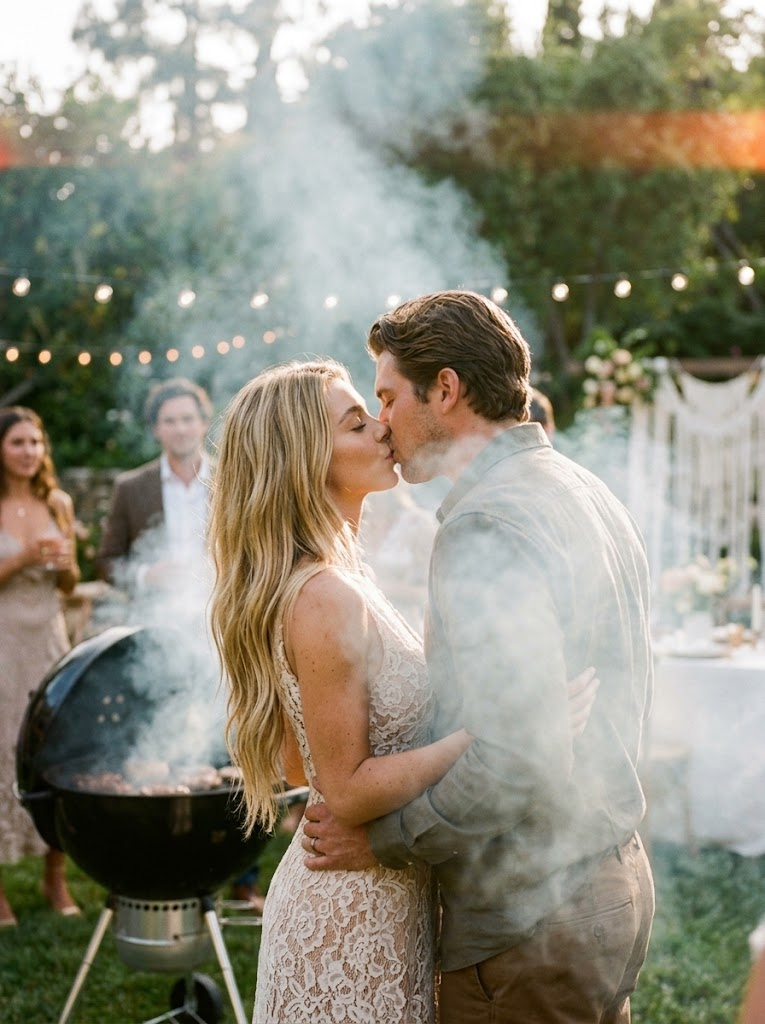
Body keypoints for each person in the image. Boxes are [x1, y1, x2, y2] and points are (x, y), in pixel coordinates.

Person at [207, 358, 598, 1022]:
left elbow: (303, 762)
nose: (384, 427)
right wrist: (484, 733)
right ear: (305, 458)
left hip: (385, 895)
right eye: (358, 422)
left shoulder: (340, 576)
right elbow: (346, 787)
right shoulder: (324, 595)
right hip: (347, 923)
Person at [303, 289, 655, 1024]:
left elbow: (515, 757)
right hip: (607, 877)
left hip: (530, 918)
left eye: (389, 396)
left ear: (447, 388)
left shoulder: (486, 524)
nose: (384, 421)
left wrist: (383, 841)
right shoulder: (579, 486)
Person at [0, 406, 81, 926]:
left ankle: (56, 877)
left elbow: (71, 584)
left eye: (35, 441)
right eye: (17, 442)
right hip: (4, 641)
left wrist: (66, 564)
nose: (29, 451)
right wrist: (26, 556)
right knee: (3, 754)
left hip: (50, 638)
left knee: (54, 752)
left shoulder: (59, 503)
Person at [96, 376, 214, 592]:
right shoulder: (130, 488)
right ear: (155, 429)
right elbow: (107, 562)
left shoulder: (231, 480)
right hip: (152, 615)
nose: (180, 429)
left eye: (188, 419)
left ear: (204, 423)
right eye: (169, 421)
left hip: (220, 611)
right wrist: (145, 575)